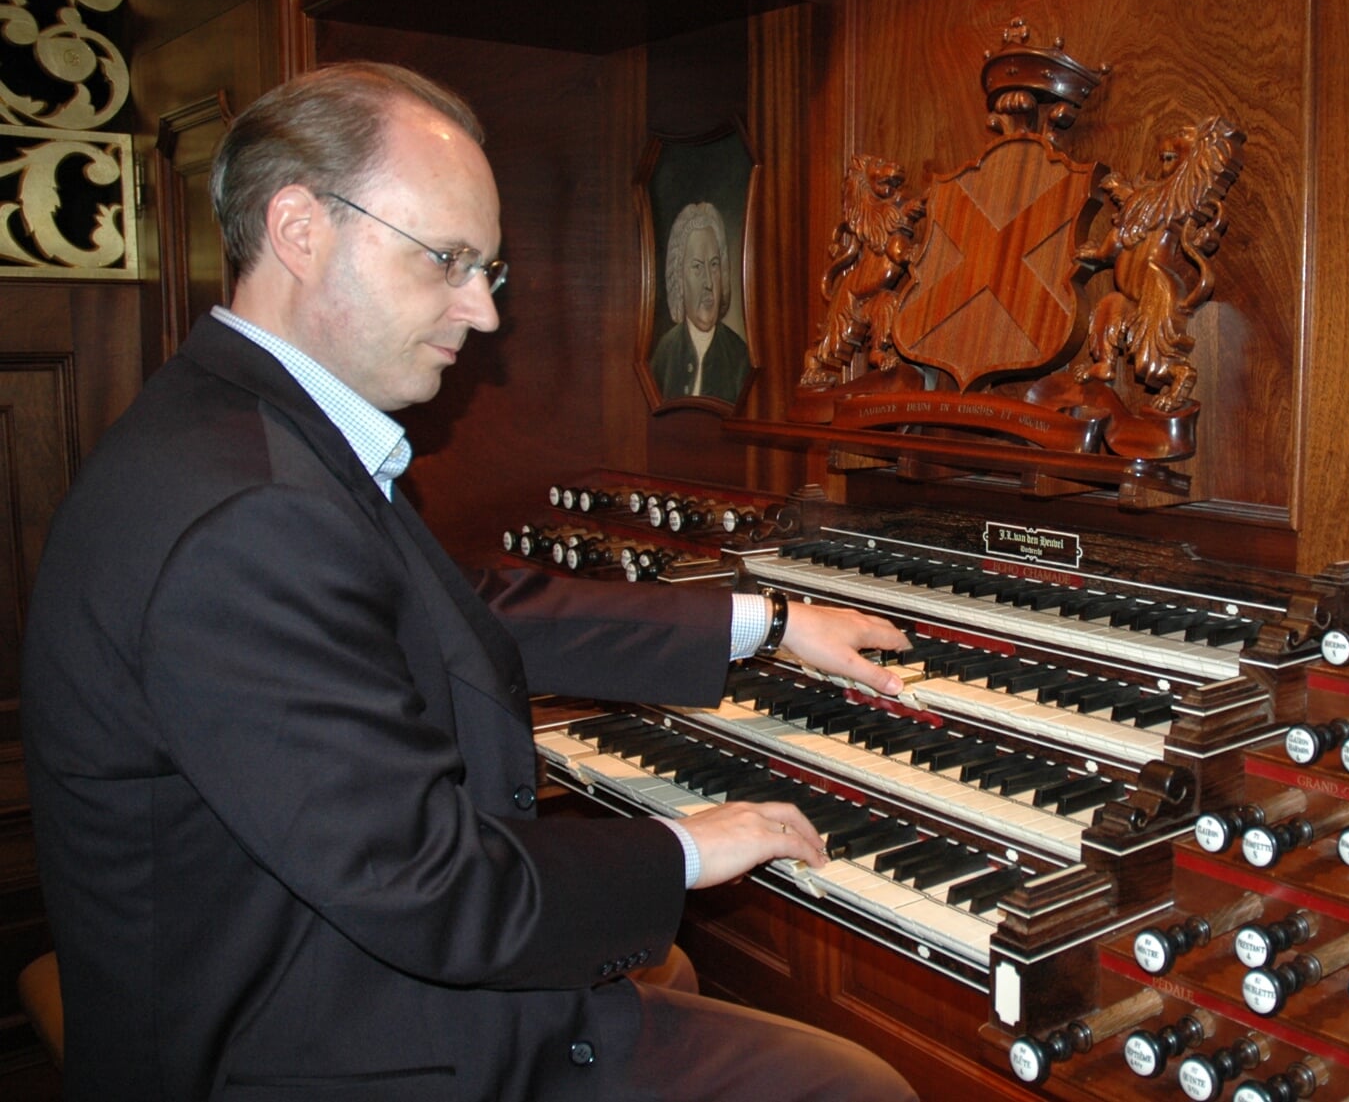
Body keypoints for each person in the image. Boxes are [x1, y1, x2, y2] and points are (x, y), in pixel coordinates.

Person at [21, 62, 916, 1102]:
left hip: (303, 963)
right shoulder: (250, 510)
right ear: (300, 228)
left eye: (486, 271)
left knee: (689, 992)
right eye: (447, 260)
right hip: (300, 1044)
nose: (480, 314)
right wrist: (679, 846)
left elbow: (461, 610)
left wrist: (764, 622)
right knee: (847, 1088)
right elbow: (431, 888)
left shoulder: (237, 427)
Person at [650, 202, 752, 402]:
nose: (708, 283)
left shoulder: (740, 358)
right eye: (697, 267)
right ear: (679, 278)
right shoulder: (664, 353)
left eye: (714, 265)